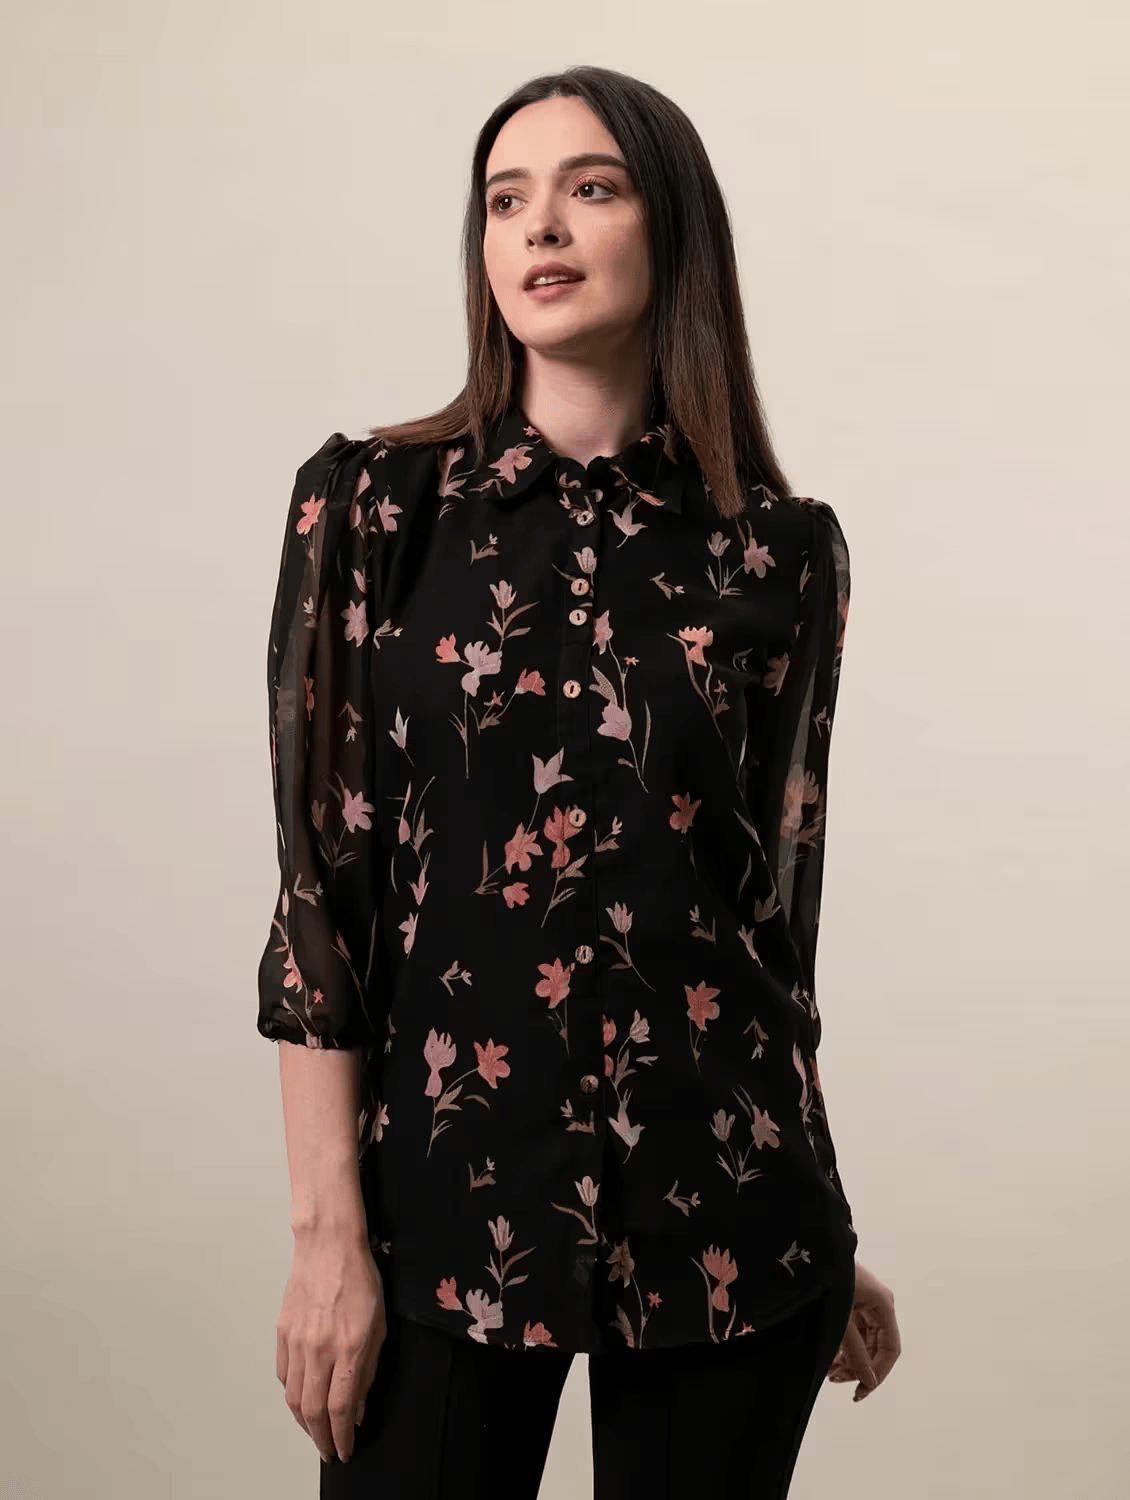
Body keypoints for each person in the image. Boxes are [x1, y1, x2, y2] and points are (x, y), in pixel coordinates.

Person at [260, 64, 901, 1500]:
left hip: (733, 1216)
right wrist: (325, 1241)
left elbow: (769, 923)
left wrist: (824, 1217)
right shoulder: (373, 510)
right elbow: (322, 901)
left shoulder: (781, 552)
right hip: (441, 1220)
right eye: (505, 200)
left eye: (589, 188)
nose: (539, 225)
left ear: (671, 230)